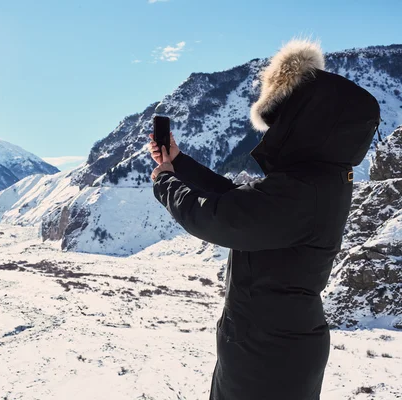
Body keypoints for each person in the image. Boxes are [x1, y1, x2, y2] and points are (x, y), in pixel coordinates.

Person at [148, 39, 380, 400]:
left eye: (282, 118)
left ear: (307, 121)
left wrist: (165, 182)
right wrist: (180, 164)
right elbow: (240, 201)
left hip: (270, 356)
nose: (275, 129)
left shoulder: (306, 189)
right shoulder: (313, 179)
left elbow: (223, 219)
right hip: (267, 344)